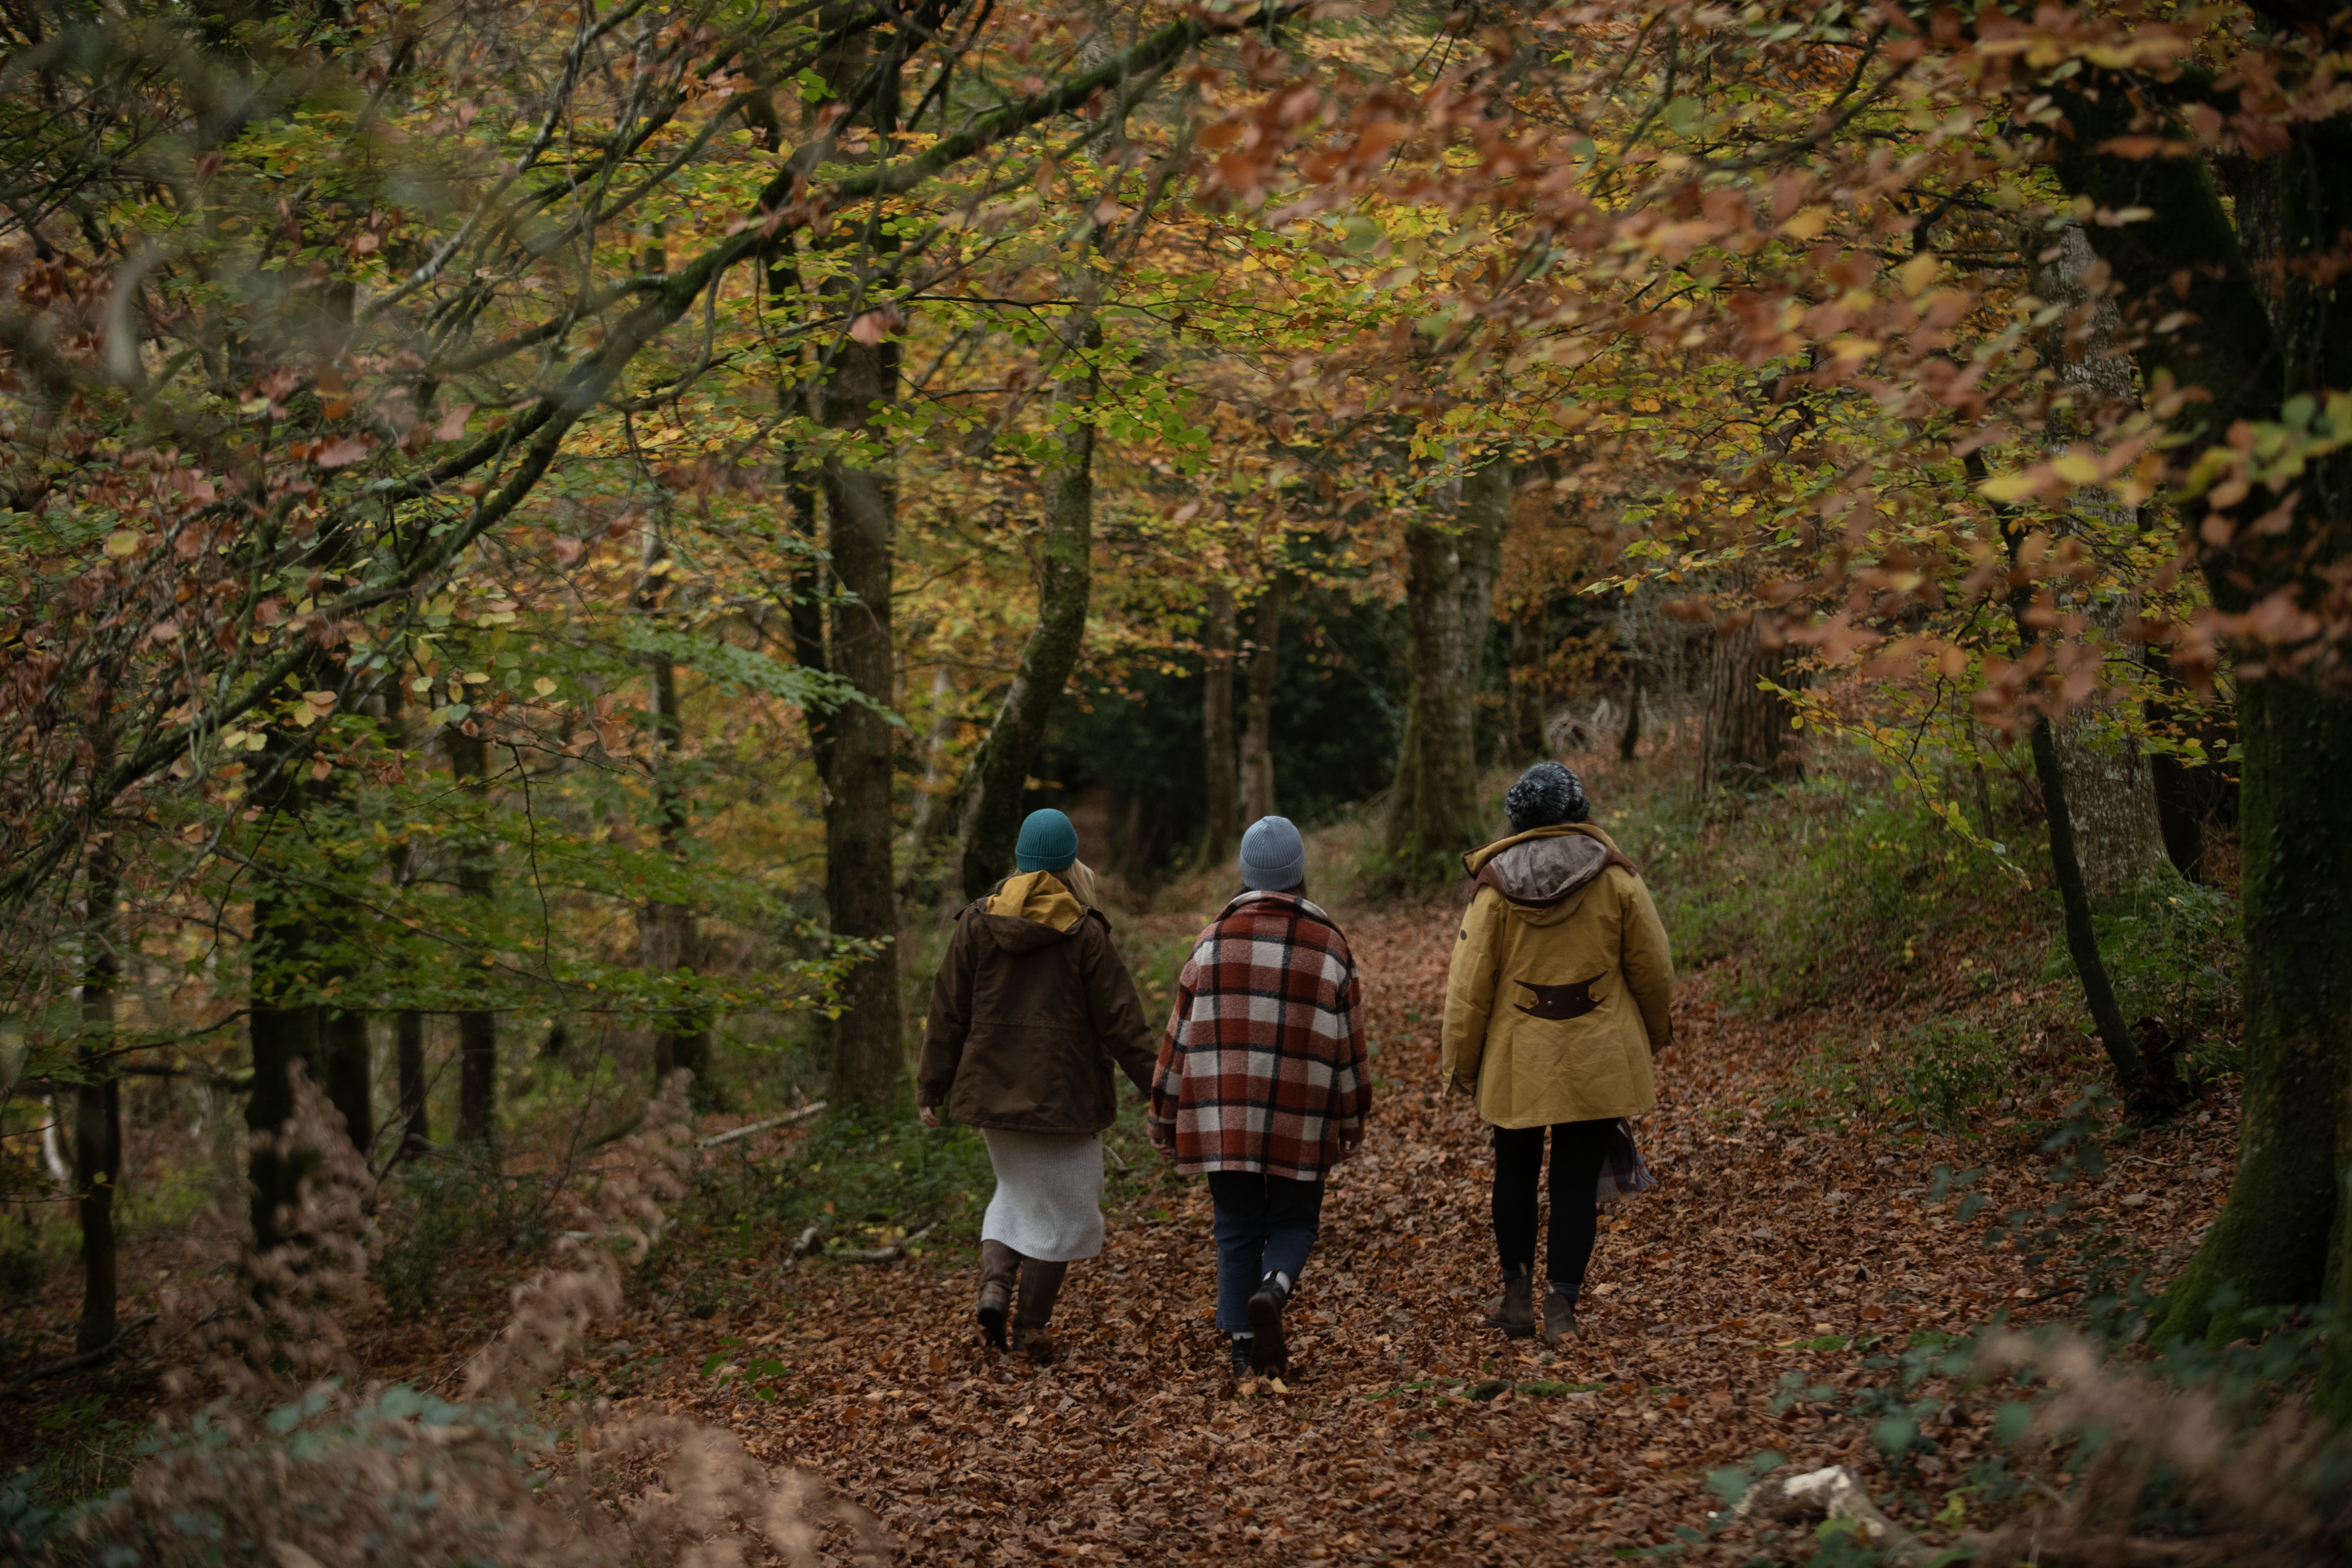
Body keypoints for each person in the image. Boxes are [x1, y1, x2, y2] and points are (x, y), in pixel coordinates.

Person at [1440, 761, 1674, 1342]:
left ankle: (1517, 1299)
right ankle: (1562, 1308)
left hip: (1518, 1058)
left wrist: (1462, 1064)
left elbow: (1469, 989)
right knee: (1574, 1180)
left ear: (1519, 820)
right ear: (1580, 813)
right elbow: (1652, 967)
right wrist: (1654, 1031)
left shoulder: (1494, 891)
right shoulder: (1617, 879)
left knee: (1514, 1172)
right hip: (1597, 1053)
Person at [918, 808, 1156, 1363]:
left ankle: (995, 1289)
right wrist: (1161, 1089)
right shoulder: (1084, 931)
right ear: (1070, 866)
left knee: (1018, 1196)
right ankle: (1030, 1331)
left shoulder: (976, 923)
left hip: (993, 1099)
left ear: (1022, 863)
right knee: (1067, 1215)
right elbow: (1124, 1023)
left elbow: (946, 1011)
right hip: (1065, 1102)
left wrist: (933, 1087)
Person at [1149, 816, 1372, 1378]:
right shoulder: (1330, 946)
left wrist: (1163, 1112)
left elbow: (1177, 1038)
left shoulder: (1211, 942)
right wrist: (1352, 1113)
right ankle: (1275, 1287)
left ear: (1246, 875)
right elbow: (1349, 1041)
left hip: (1224, 1115)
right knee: (1296, 1221)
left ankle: (1244, 1347)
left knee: (1236, 1224)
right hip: (1303, 1113)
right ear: (1300, 874)